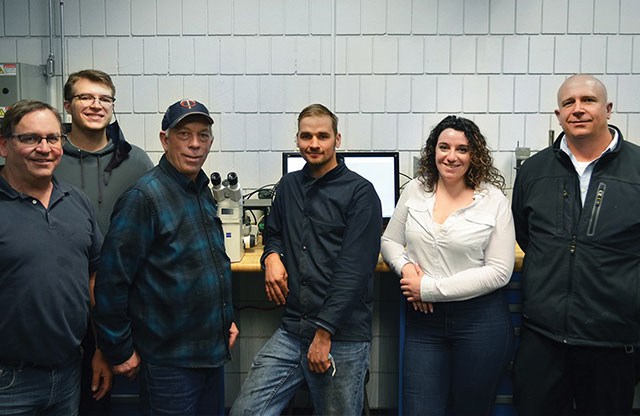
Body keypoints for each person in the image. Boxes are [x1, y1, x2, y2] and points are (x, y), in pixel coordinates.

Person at [231, 104, 383, 416]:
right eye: (306, 136)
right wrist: (271, 257)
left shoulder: (360, 193)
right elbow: (273, 233)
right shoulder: (287, 187)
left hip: (341, 335)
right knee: (247, 411)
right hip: (293, 330)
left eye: (322, 136)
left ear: (337, 140)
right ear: (298, 140)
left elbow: (354, 272)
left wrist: (324, 334)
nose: (314, 143)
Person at [93, 99, 238, 415]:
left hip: (210, 353)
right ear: (165, 139)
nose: (195, 144)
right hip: (170, 363)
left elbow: (205, 264)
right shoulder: (143, 198)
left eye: (203, 135)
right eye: (184, 134)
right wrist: (119, 350)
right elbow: (111, 282)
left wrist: (226, 319)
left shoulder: (199, 190)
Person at [512, 74, 640, 415]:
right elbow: (526, 236)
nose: (578, 109)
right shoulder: (534, 171)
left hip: (611, 339)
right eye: (569, 103)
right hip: (543, 337)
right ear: (558, 115)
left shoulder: (637, 169)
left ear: (608, 109)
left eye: (588, 100)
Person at [381, 115, 515, 415]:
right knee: (419, 409)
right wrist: (406, 268)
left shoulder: (493, 200)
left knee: (470, 410)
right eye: (444, 147)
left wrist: (428, 288)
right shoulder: (416, 190)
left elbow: (499, 271)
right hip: (424, 324)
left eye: (462, 149)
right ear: (433, 151)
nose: (451, 157)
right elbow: (389, 241)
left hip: (480, 322)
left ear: (474, 155)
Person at [0, 100, 111, 414]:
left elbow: (94, 279)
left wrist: (101, 347)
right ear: (4, 145)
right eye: (31, 138)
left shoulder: (76, 202)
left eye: (52, 138)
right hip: (8, 381)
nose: (44, 148)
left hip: (67, 374)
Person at [56, 68, 153, 415]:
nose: (96, 105)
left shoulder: (136, 160)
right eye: (85, 97)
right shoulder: (49, 157)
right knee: (81, 398)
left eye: (104, 99)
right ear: (68, 105)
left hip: (126, 297)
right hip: (67, 300)